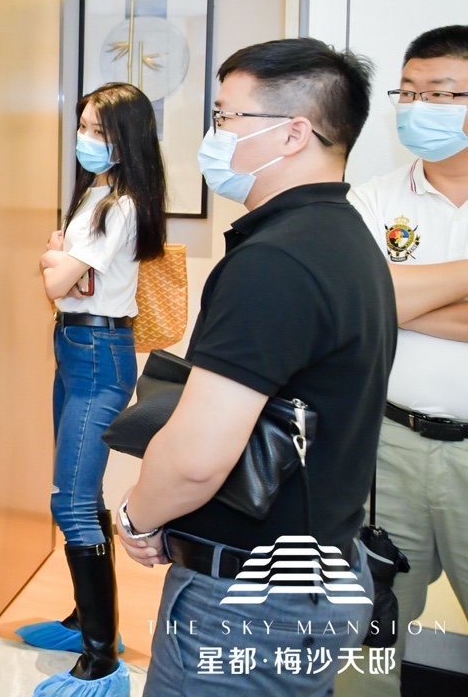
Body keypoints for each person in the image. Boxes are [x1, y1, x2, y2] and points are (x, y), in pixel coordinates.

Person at [117, 38, 394, 697]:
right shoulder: (344, 237)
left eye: (225, 116)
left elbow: (196, 459)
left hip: (249, 601)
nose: (213, 135)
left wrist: (137, 516)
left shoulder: (274, 262)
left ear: (293, 133)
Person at [23, 83, 168, 697]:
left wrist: (55, 258)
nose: (86, 139)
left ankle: (102, 657)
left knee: (72, 501)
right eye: (82, 126)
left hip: (98, 354)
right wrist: (59, 261)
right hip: (75, 345)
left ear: (127, 138)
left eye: (99, 131)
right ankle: (85, 620)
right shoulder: (97, 194)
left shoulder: (123, 205)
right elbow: (63, 276)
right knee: (78, 492)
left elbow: (57, 282)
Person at [341, 25, 468, 697]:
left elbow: (381, 297)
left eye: (441, 93)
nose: (420, 107)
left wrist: (398, 296)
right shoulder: (372, 197)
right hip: (389, 445)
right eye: (409, 92)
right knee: (367, 626)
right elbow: (359, 301)